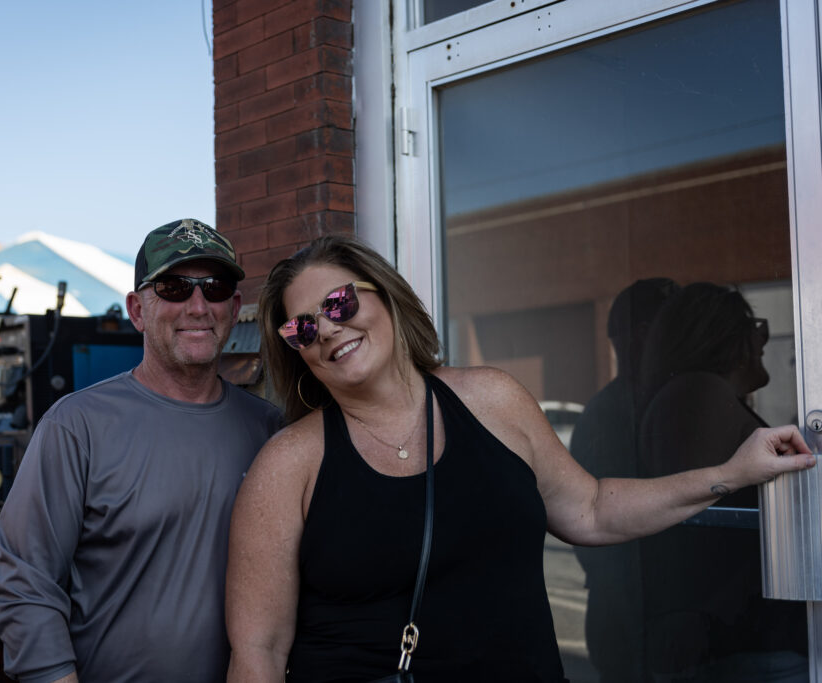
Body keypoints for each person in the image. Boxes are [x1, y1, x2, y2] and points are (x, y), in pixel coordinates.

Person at [225, 235, 815, 683]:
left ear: (385, 296)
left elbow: (591, 508)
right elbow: (259, 651)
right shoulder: (288, 464)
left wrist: (730, 473)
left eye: (339, 302)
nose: (327, 329)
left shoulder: (492, 400)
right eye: (302, 328)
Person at [0, 218, 283, 683]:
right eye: (174, 288)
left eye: (214, 289)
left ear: (233, 308)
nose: (197, 307)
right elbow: (28, 580)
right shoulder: (77, 427)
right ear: (137, 310)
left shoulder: (268, 430)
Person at [636, 282, 807, 682]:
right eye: (753, 327)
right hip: (738, 644)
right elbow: (699, 532)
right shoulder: (698, 393)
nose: (762, 340)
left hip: (737, 639)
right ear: (722, 337)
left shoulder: (697, 395)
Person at [570, 277, 677, 683]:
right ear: (646, 334)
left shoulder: (641, 404)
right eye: (676, 323)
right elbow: (599, 528)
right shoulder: (617, 413)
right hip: (636, 621)